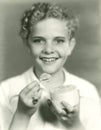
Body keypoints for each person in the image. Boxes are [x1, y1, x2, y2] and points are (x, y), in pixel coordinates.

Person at [0, 2, 101, 130]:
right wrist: (22, 115)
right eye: (39, 40)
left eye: (59, 41)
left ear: (70, 46)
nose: (48, 49)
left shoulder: (87, 91)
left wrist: (74, 125)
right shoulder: (6, 91)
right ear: (27, 44)